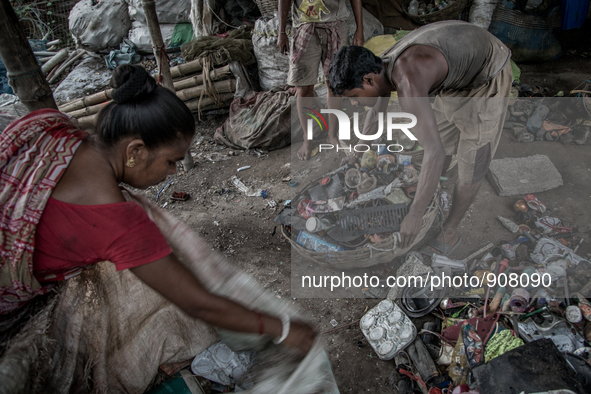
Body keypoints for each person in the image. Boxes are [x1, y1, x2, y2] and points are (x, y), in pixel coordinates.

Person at [0, 65, 315, 356]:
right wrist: (283, 328)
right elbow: (199, 305)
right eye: (171, 161)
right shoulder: (118, 220)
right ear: (135, 151)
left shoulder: (50, 130)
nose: (173, 172)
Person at [328, 20, 512, 255]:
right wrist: (358, 152)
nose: (354, 103)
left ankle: (451, 230)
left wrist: (414, 214)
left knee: (471, 160)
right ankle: (433, 195)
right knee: (441, 139)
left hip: (486, 74)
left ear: (368, 80)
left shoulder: (409, 84)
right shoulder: (380, 67)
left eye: (353, 96)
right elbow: (376, 110)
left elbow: (433, 152)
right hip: (459, 70)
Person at [277, 0, 364, 160]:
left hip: (336, 26)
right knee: (304, 88)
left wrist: (360, 28)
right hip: (305, 28)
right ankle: (307, 138)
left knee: (334, 86)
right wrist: (281, 31)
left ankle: (332, 134)